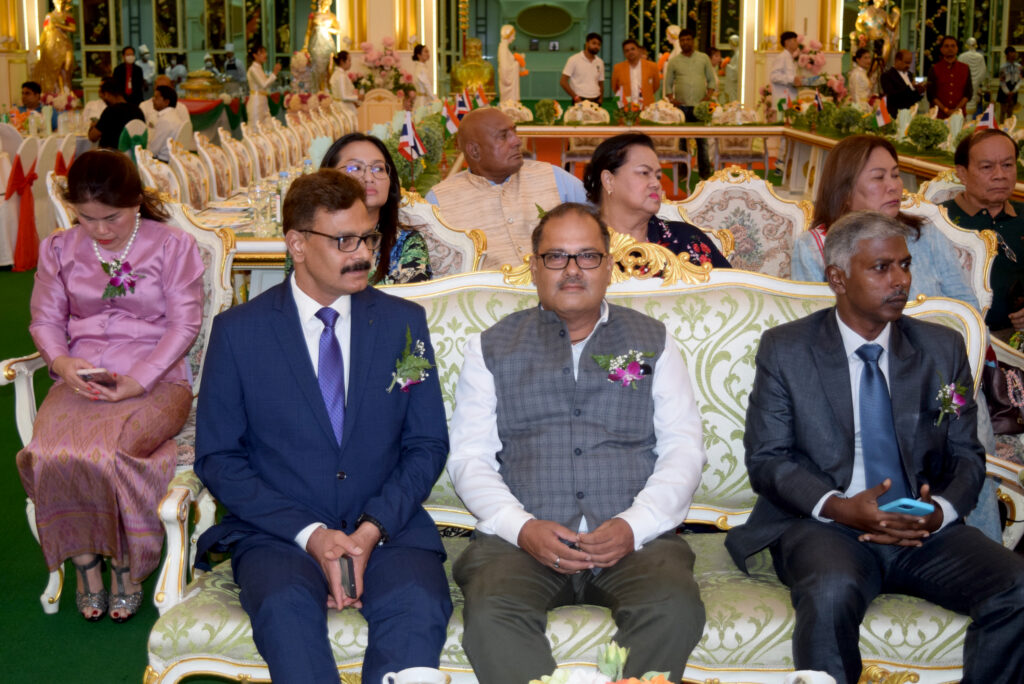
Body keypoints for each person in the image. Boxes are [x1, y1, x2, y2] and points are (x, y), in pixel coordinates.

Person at [726, 209, 1024, 684]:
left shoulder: (940, 347)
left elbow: (967, 454)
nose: (900, 280)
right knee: (830, 591)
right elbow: (768, 458)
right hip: (825, 525)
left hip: (922, 529)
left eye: (904, 265)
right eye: (881, 268)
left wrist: (940, 512)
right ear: (837, 278)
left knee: (1018, 586)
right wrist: (841, 508)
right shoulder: (788, 349)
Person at [194, 169, 452, 684]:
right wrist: (311, 534)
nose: (363, 254)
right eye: (343, 241)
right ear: (297, 244)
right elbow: (218, 458)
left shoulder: (402, 323)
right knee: (285, 610)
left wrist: (371, 528)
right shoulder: (239, 332)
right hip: (280, 533)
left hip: (389, 528)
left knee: (417, 603)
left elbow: (426, 443)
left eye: (368, 238)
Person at [448, 202, 708, 684]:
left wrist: (634, 525)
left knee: (673, 608)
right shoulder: (490, 347)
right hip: (521, 544)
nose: (572, 270)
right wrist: (522, 528)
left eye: (587, 256)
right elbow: (470, 457)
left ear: (609, 267)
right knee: (492, 613)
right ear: (534, 267)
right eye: (556, 257)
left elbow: (683, 448)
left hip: (635, 541)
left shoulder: (654, 340)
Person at [16, 149, 204, 623]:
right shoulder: (59, 249)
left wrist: (138, 381)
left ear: (136, 202)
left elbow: (184, 325)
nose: (99, 230)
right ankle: (85, 563)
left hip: (157, 380)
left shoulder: (172, 245)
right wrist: (61, 361)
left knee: (112, 451)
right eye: (86, 218)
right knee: (49, 452)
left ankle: (124, 562)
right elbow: (44, 319)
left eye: (111, 217)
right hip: (83, 380)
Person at [791, 134, 977, 310]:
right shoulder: (814, 248)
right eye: (879, 177)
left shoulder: (924, 234)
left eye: (895, 175)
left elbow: (967, 308)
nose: (894, 186)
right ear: (845, 191)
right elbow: (812, 319)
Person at [426, 107, 589, 269]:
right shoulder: (439, 200)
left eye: (514, 132)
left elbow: (599, 222)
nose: (517, 141)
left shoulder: (552, 177)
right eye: (503, 136)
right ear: (475, 151)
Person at [583, 133, 729, 268]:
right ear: (609, 180)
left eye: (658, 176)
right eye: (644, 173)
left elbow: (733, 286)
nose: (656, 183)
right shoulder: (579, 244)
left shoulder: (686, 241)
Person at [320, 133, 431, 284]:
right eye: (355, 168)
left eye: (378, 169)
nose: (369, 178)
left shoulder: (407, 245)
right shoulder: (311, 237)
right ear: (328, 177)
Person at [943, 129, 1024, 333]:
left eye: (1007, 165)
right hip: (956, 338)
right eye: (987, 167)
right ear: (962, 173)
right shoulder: (938, 221)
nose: (1000, 175)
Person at [663, 28, 715, 179]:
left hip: (700, 107)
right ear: (679, 42)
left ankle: (704, 174)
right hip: (681, 107)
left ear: (694, 41)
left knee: (702, 142)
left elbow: (711, 80)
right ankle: (682, 173)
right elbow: (668, 84)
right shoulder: (674, 61)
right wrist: (672, 99)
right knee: (681, 143)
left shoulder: (703, 58)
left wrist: (708, 97)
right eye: (682, 40)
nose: (685, 42)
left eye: (688, 39)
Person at [88, 77, 145, 150]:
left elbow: (93, 137)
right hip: (132, 153)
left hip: (110, 154)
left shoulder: (110, 111)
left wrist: (92, 126)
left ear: (107, 94)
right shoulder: (138, 111)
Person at [32, 0, 76, 94]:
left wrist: (58, 25)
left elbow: (73, 28)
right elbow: (45, 32)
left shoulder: (68, 15)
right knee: (54, 69)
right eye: (58, 2)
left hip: (64, 43)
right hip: (52, 44)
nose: (60, 5)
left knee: (67, 66)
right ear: (54, 3)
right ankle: (59, 91)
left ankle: (67, 89)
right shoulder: (49, 16)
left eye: (62, 3)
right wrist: (40, 44)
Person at [928, 35, 972, 119]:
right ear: (941, 49)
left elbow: (968, 93)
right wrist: (946, 110)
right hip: (938, 115)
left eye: (953, 46)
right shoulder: (935, 68)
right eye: (946, 46)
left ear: (957, 48)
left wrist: (956, 110)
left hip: (959, 115)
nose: (950, 48)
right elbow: (931, 95)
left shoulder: (965, 68)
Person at [303, 0, 340, 93]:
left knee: (329, 69)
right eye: (323, 3)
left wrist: (326, 28)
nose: (325, 5)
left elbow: (338, 30)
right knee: (316, 70)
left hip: (327, 45)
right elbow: (308, 32)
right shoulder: (314, 15)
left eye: (327, 3)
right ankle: (318, 92)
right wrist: (305, 46)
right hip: (315, 46)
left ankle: (330, 91)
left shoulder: (331, 16)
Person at [611, 38, 661, 108]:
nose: (630, 52)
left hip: (647, 107)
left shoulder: (652, 66)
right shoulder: (618, 68)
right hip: (627, 108)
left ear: (638, 50)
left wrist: (647, 94)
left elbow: (656, 86)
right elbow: (615, 88)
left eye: (633, 49)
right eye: (627, 51)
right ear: (624, 54)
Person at [560, 33, 605, 104]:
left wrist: (601, 98)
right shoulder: (574, 59)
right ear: (587, 43)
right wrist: (575, 97)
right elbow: (563, 81)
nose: (596, 46)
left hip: (596, 100)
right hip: (579, 100)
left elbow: (601, 83)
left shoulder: (600, 62)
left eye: (599, 44)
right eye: (594, 43)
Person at [880, 49, 925, 114]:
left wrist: (919, 92)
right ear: (897, 61)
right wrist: (910, 87)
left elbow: (912, 98)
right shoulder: (887, 76)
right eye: (906, 62)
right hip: (895, 114)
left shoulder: (909, 74)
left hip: (910, 113)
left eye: (910, 63)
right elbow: (893, 97)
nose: (908, 66)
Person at [247, 44, 281, 124]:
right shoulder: (253, 69)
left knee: (267, 126)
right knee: (256, 126)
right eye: (261, 53)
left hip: (262, 100)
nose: (265, 55)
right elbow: (264, 84)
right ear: (255, 55)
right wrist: (274, 73)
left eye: (265, 52)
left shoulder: (259, 67)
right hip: (256, 102)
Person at [148, 85, 182, 162]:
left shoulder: (165, 120)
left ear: (166, 102)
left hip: (161, 161)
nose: (153, 100)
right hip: (170, 159)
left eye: (156, 98)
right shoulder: (173, 115)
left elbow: (153, 150)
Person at [770, 30, 802, 107]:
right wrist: (792, 79)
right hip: (782, 99)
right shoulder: (782, 57)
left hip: (790, 98)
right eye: (794, 40)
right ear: (787, 42)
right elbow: (774, 76)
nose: (797, 43)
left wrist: (798, 79)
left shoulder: (790, 58)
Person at [958, 37, 989, 113]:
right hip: (976, 83)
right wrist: (979, 81)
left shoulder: (962, 56)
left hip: (964, 83)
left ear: (966, 45)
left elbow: (958, 71)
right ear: (976, 45)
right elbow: (983, 71)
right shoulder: (980, 57)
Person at [329, 51, 359, 120]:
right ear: (342, 61)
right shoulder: (341, 75)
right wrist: (358, 97)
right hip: (343, 109)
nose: (350, 63)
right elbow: (343, 97)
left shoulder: (339, 74)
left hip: (342, 107)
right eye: (349, 60)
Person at [997, 46, 1021, 123]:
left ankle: (1009, 127)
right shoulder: (1003, 67)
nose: (1013, 56)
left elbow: (1020, 80)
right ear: (1007, 55)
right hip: (1004, 89)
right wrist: (1007, 92)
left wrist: (1014, 90)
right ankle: (1001, 126)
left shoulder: (1018, 66)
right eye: (1011, 54)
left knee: (1010, 111)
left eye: (1014, 54)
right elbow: (1002, 81)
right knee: (1003, 111)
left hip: (1014, 88)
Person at [497, 25, 520, 104]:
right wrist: (516, 64)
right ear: (508, 35)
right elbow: (504, 68)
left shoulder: (504, 48)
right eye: (513, 36)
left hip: (509, 83)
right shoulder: (503, 48)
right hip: (508, 83)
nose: (514, 38)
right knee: (508, 104)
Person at [411, 43, 436, 108]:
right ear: (419, 55)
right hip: (423, 102)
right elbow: (427, 86)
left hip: (423, 99)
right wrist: (436, 100)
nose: (428, 54)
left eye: (428, 51)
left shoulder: (420, 67)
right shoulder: (421, 69)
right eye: (426, 51)